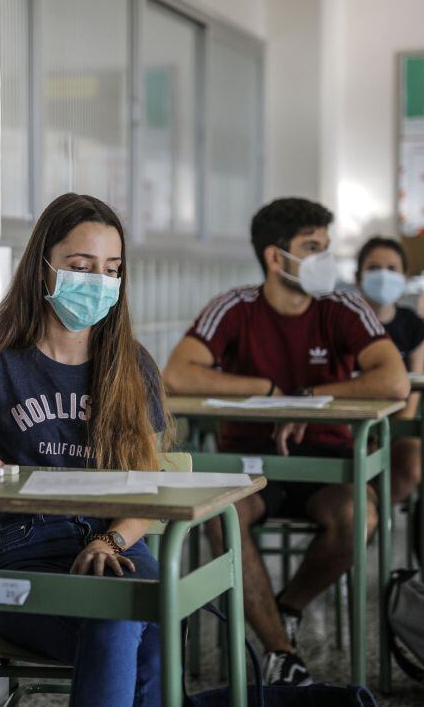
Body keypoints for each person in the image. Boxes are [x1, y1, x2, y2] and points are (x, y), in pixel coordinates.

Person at [0, 193, 169, 707]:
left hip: (119, 545)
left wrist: (110, 542)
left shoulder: (131, 364)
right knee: (130, 628)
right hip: (29, 550)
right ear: (43, 267)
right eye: (80, 266)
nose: (98, 281)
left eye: (111, 269)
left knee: (131, 611)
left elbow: (147, 485)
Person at [162, 197, 409, 686]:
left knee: (358, 515)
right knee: (223, 513)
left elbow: (395, 380)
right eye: (311, 247)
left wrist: (306, 398)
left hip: (330, 455)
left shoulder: (343, 307)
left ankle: (285, 608)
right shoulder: (234, 308)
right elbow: (177, 373)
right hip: (252, 461)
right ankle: (280, 651)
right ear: (276, 257)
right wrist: (269, 391)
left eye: (325, 247)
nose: (324, 259)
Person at [356, 237, 424, 503]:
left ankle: (375, 515)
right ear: (358, 276)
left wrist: (388, 434)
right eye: (374, 267)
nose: (383, 275)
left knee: (411, 467)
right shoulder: (344, 321)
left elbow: (415, 390)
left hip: (398, 424)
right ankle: (363, 520)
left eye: (392, 268)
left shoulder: (414, 326)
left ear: (404, 276)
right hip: (351, 423)